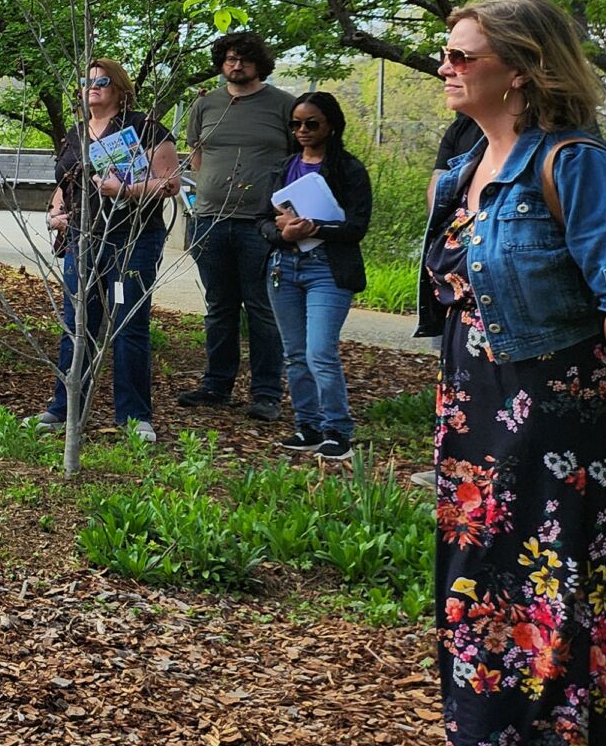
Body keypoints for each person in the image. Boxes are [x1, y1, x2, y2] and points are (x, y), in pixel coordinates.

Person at [356, 0, 606, 746]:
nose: (446, 66)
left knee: (505, 596)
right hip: (481, 405)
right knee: (552, 596)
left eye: (464, 55)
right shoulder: (468, 159)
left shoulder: (575, 164)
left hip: (541, 421)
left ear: (524, 70)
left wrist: (600, 391)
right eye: (447, 53)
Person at [37, 58, 181, 444]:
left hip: (130, 241)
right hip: (82, 240)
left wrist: (127, 191)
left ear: (119, 88)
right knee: (77, 324)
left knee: (127, 324)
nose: (93, 86)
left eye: (102, 81)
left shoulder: (143, 127)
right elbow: (65, 181)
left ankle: (134, 416)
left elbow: (170, 183)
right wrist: (56, 212)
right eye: (86, 81)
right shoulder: (75, 133)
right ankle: (64, 408)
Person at [178, 31, 295, 420]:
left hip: (260, 225)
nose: (236, 65)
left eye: (244, 58)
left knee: (262, 309)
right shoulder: (206, 105)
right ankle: (217, 385)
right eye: (229, 59)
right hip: (210, 220)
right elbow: (197, 155)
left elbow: (299, 162)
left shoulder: (283, 106)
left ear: (259, 62)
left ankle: (265, 394)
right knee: (219, 308)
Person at [260, 92, 373, 461]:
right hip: (284, 266)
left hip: (328, 267)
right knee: (294, 353)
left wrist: (316, 228)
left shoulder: (349, 169)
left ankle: (337, 429)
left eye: (312, 123)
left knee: (320, 351)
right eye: (296, 124)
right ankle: (307, 425)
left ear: (332, 125)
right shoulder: (283, 167)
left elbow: (356, 227)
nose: (303, 130)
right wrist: (283, 234)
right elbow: (262, 221)